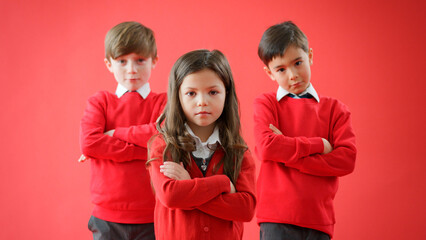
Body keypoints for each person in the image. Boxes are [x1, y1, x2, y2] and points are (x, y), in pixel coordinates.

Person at [254, 21, 357, 240]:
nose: (292, 75)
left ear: (310, 56)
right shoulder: (267, 104)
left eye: (298, 63)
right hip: (276, 218)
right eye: (281, 69)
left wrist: (289, 156)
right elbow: (266, 148)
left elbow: (346, 160)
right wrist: (319, 144)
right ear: (269, 73)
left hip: (319, 220)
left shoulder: (335, 110)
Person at [144, 49, 256, 239]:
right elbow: (171, 196)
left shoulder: (239, 152)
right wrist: (223, 184)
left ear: (226, 94)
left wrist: (188, 186)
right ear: (177, 96)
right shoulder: (163, 146)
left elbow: (245, 209)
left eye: (213, 92)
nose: (202, 102)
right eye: (191, 93)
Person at [79, 21, 166, 240]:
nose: (131, 69)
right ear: (109, 64)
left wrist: (113, 134)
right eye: (122, 61)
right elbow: (89, 143)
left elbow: (164, 138)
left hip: (153, 214)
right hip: (106, 216)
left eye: (140, 60)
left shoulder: (163, 102)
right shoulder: (100, 102)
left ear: (154, 60)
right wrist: (146, 152)